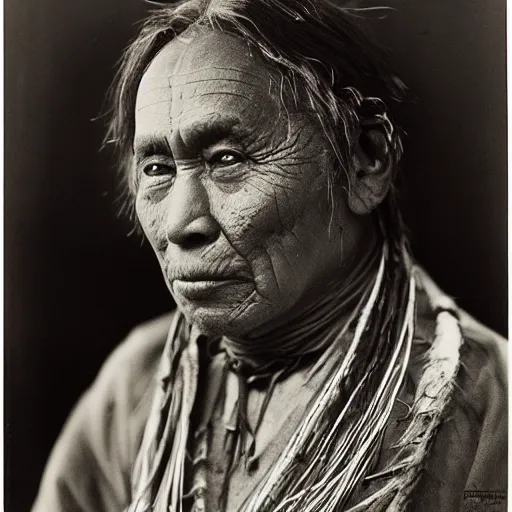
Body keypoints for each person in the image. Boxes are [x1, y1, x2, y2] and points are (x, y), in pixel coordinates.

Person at [33, 1, 507, 511]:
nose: (179, 224)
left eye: (227, 160)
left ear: (366, 161)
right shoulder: (134, 390)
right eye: (157, 168)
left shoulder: (486, 409)